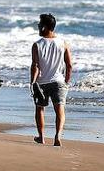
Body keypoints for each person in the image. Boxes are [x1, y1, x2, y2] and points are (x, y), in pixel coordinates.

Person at [30, 13, 73, 147]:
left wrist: (32, 82)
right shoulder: (63, 43)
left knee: (40, 108)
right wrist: (66, 81)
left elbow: (35, 66)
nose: (38, 26)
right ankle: (58, 136)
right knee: (59, 109)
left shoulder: (37, 45)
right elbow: (69, 64)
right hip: (58, 81)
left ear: (45, 27)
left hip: (42, 82)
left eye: (39, 24)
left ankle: (41, 137)